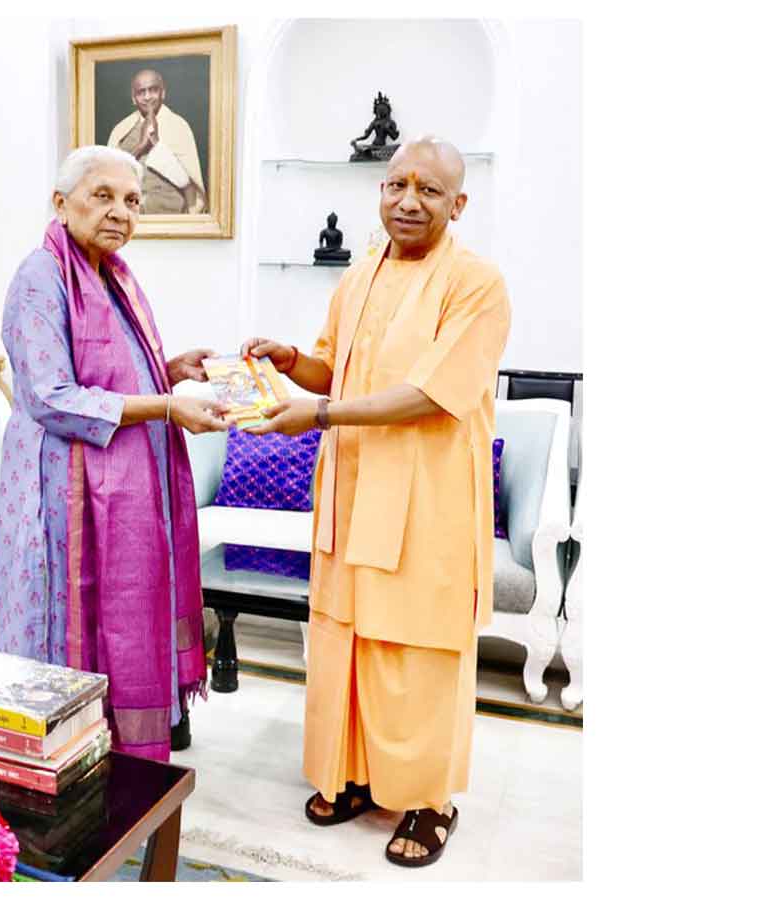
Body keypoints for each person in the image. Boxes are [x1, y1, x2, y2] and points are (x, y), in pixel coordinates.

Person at [240, 137, 511, 867]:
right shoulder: (359, 275)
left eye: (429, 190)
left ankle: (428, 800)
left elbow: (430, 394)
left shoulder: (477, 284)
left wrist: (320, 415)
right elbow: (337, 366)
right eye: (397, 185)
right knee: (348, 637)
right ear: (381, 192)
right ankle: (356, 775)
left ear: (459, 204)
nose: (409, 201)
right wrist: (294, 363)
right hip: (354, 487)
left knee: (418, 646)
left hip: (429, 495)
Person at [0, 145, 232, 761]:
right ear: (60, 202)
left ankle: (118, 742)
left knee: (118, 615)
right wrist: (166, 408)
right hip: (57, 492)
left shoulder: (114, 276)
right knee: (64, 626)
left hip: (120, 486)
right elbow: (52, 396)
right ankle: (60, 758)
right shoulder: (40, 275)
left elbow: (119, 374)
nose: (120, 213)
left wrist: (167, 371)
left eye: (132, 201)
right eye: (103, 196)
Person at [106, 68, 207, 214]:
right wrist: (141, 146)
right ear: (133, 98)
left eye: (153, 90)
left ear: (163, 93)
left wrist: (157, 145)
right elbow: (110, 179)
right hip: (131, 218)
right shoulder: (121, 130)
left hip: (170, 217)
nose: (147, 97)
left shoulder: (179, 126)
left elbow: (185, 182)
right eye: (141, 92)